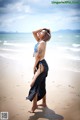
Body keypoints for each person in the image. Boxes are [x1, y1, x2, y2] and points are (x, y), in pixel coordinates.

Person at [26, 28, 51, 113]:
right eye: (40, 32)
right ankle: (44, 103)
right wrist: (44, 28)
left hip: (41, 65)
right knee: (41, 84)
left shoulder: (42, 42)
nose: (39, 32)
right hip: (41, 64)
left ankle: (34, 105)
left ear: (44, 36)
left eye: (41, 32)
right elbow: (33, 32)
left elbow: (39, 56)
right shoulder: (39, 41)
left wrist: (34, 66)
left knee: (33, 84)